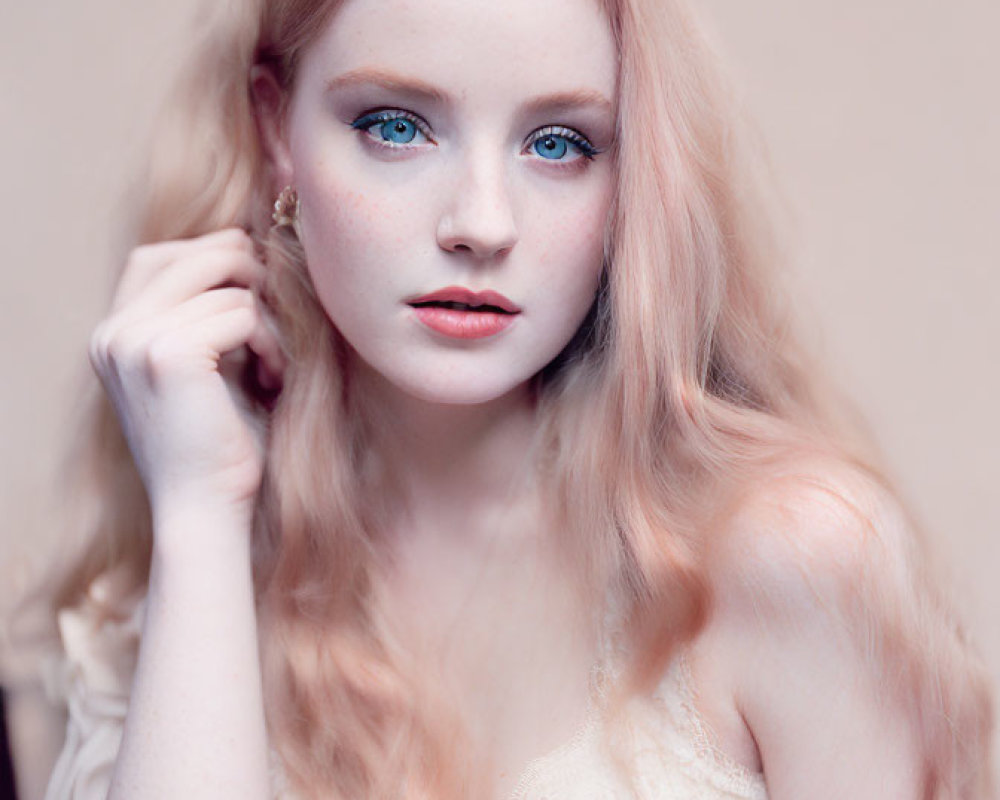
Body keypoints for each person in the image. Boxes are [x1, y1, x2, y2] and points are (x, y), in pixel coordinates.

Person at [15, 0, 996, 797]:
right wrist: (195, 510)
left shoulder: (796, 557)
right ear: (277, 131)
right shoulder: (185, 584)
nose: (481, 222)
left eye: (559, 143)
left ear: (633, 173)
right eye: (394, 126)